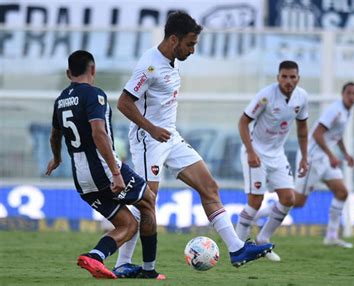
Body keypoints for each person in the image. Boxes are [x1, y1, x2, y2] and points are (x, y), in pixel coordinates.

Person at [114, 11, 273, 276]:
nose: (193, 49)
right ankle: (122, 264)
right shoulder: (149, 65)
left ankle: (236, 249)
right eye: (190, 44)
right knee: (146, 204)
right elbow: (123, 103)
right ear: (174, 40)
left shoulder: (173, 61)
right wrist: (151, 129)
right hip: (148, 141)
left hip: (170, 137)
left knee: (209, 186)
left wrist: (162, 130)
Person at [45, 50, 164, 280]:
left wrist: (57, 158)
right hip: (104, 170)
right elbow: (99, 133)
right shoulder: (94, 95)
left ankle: (95, 256)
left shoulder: (60, 101)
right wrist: (116, 172)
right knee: (148, 201)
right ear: (93, 70)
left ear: (69, 73)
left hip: (82, 179)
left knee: (127, 225)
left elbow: (54, 135)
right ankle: (149, 271)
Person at [235, 60, 309, 262]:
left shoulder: (302, 98)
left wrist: (304, 158)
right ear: (278, 78)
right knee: (255, 202)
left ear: (298, 78)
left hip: (277, 154)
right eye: (284, 77)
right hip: (256, 151)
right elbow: (243, 122)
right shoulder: (266, 95)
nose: (288, 81)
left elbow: (302, 129)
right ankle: (238, 249)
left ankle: (263, 237)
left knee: (289, 199)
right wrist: (250, 152)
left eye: (292, 77)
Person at [293, 82, 354, 248]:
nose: (352, 97)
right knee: (297, 202)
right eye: (349, 93)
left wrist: (345, 154)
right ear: (342, 94)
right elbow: (316, 134)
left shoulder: (346, 112)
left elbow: (336, 135)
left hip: (325, 158)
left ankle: (331, 236)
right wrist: (331, 155)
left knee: (342, 192)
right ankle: (258, 215)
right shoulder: (335, 110)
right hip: (312, 158)